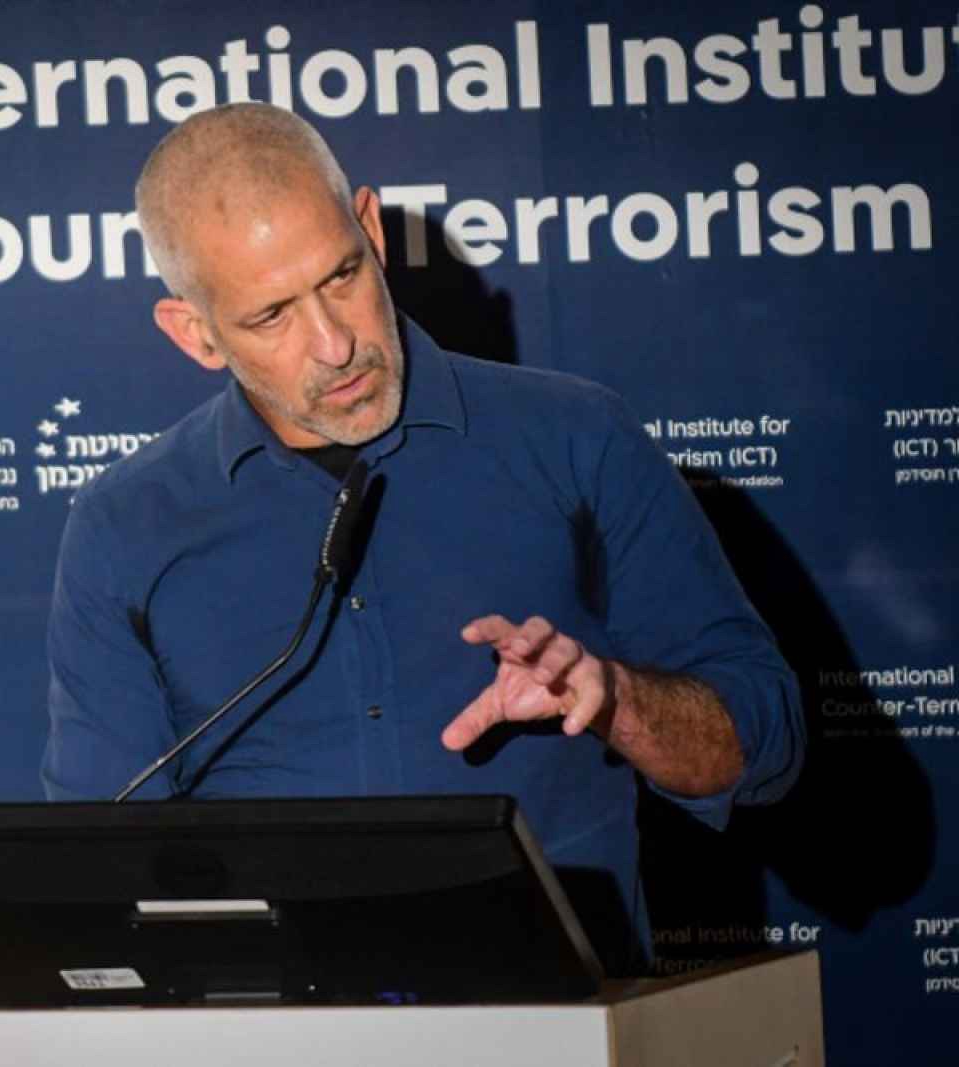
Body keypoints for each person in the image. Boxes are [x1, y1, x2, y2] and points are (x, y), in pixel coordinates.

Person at [41, 102, 803, 972]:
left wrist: (615, 697)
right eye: (272, 316)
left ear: (371, 229)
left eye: (342, 275)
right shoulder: (124, 524)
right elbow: (98, 873)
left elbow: (764, 744)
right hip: (270, 1025)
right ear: (196, 334)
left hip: (559, 1020)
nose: (335, 344)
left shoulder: (578, 438)